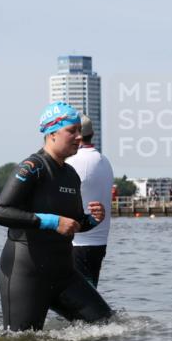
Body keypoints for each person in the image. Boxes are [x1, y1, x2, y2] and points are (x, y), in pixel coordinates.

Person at [0, 102, 112, 331]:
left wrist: (91, 220)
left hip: (63, 273)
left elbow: (73, 224)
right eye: (72, 131)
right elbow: (1, 212)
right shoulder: (32, 167)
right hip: (26, 273)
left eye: (80, 130)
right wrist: (52, 221)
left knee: (106, 324)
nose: (79, 136)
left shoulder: (70, 174)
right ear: (52, 133)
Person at [66, 114, 114, 287]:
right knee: (89, 293)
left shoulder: (74, 161)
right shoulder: (104, 161)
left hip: (78, 242)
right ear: (92, 134)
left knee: (77, 300)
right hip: (99, 241)